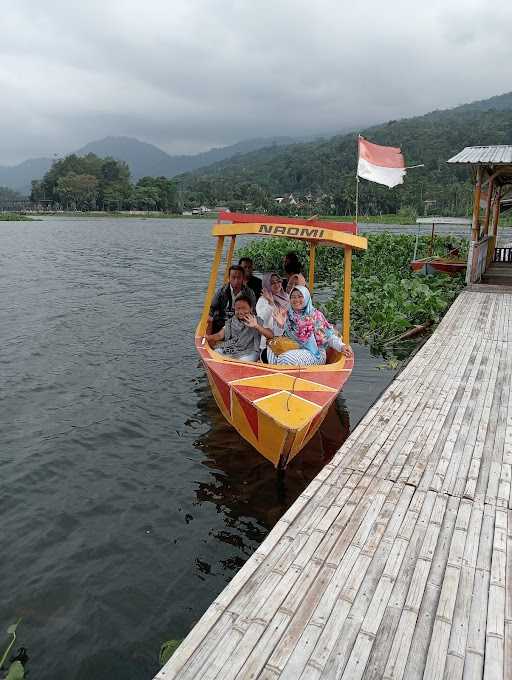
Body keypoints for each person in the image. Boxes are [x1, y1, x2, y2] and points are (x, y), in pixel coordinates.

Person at [267, 285, 352, 366]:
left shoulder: (315, 315)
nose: (296, 300)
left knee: (285, 358)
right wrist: (280, 325)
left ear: (306, 297)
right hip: (293, 348)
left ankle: (283, 375)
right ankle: (278, 376)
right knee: (270, 350)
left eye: (300, 296)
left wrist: (341, 346)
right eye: (293, 297)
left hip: (314, 353)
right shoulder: (288, 314)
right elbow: (277, 336)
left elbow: (329, 337)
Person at [206, 294, 272, 362]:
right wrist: (208, 337)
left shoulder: (257, 320)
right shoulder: (231, 321)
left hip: (251, 351)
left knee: (242, 361)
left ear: (251, 309)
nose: (240, 312)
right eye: (238, 309)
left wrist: (256, 326)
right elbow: (219, 335)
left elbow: (270, 335)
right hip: (233, 348)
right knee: (217, 351)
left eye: (244, 308)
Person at [208, 265, 256, 333]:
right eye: (233, 277)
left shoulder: (249, 293)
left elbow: (253, 310)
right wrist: (210, 318)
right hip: (223, 320)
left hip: (241, 321)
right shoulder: (221, 292)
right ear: (229, 278)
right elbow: (212, 308)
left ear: (243, 278)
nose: (236, 280)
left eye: (239, 277)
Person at [256, 272, 289, 362]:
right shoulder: (262, 300)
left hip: (287, 337)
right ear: (267, 285)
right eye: (272, 283)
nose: (277, 284)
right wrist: (270, 302)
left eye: (278, 281)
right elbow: (263, 320)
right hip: (269, 341)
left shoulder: (286, 297)